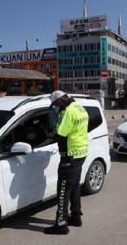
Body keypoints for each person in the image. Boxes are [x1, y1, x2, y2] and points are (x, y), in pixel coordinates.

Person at [44, 90, 89, 235]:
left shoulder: (67, 112)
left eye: (55, 103)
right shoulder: (79, 107)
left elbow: (59, 134)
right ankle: (76, 217)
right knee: (75, 186)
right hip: (81, 153)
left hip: (69, 156)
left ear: (61, 100)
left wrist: (46, 133)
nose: (55, 106)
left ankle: (61, 224)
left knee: (63, 191)